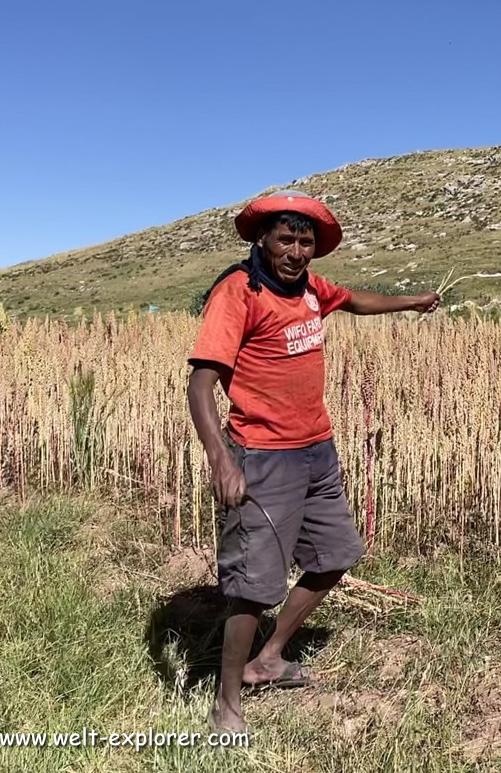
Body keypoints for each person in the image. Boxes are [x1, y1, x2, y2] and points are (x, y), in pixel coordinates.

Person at [186, 190, 440, 733]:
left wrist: (411, 301)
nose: (297, 251)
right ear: (263, 239)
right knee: (253, 585)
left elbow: (354, 300)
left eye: (306, 241)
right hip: (262, 456)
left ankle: (270, 657)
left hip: (316, 450)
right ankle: (225, 706)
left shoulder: (309, 289)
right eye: (286, 239)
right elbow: (201, 381)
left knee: (336, 554)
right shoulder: (240, 291)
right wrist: (221, 460)